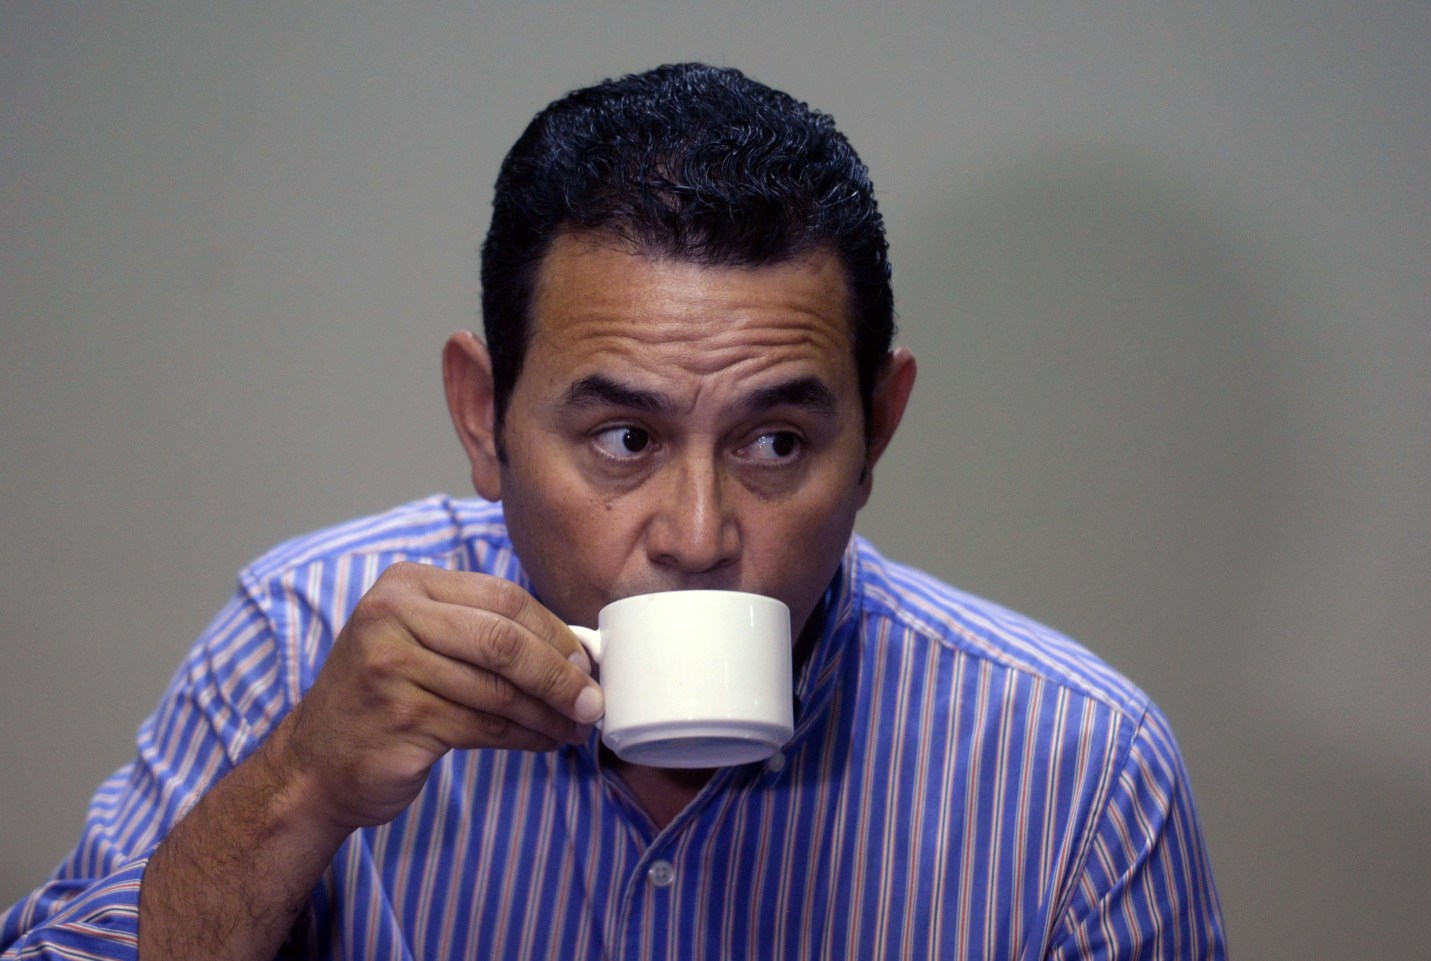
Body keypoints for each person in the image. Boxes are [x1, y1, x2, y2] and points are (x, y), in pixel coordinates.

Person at [1, 63, 1226, 960]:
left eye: (776, 442)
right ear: (482, 415)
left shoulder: (1079, 775)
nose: (696, 535)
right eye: (625, 439)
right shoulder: (301, 639)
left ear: (879, 431)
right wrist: (299, 787)